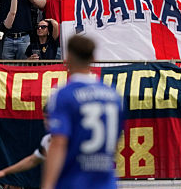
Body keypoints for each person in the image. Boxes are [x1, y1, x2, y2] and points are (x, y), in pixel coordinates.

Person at [40, 34, 121, 189]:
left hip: (74, 180)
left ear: (68, 57)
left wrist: (47, 185)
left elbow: (58, 142)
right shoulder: (113, 95)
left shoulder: (63, 94)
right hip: (106, 181)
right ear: (93, 57)